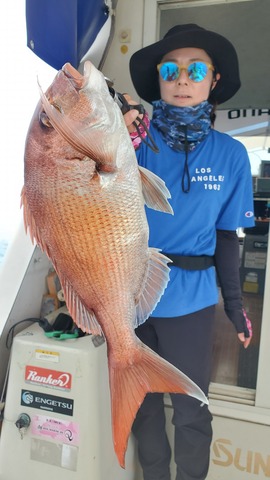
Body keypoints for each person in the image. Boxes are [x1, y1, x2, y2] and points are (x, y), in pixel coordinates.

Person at [123, 24, 255, 480]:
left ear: (213, 80)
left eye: (195, 69)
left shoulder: (232, 155)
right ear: (158, 77)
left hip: (191, 303)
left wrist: (236, 307)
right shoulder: (131, 144)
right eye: (171, 69)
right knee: (141, 406)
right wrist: (115, 125)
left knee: (191, 411)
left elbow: (225, 236)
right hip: (131, 297)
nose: (183, 79)